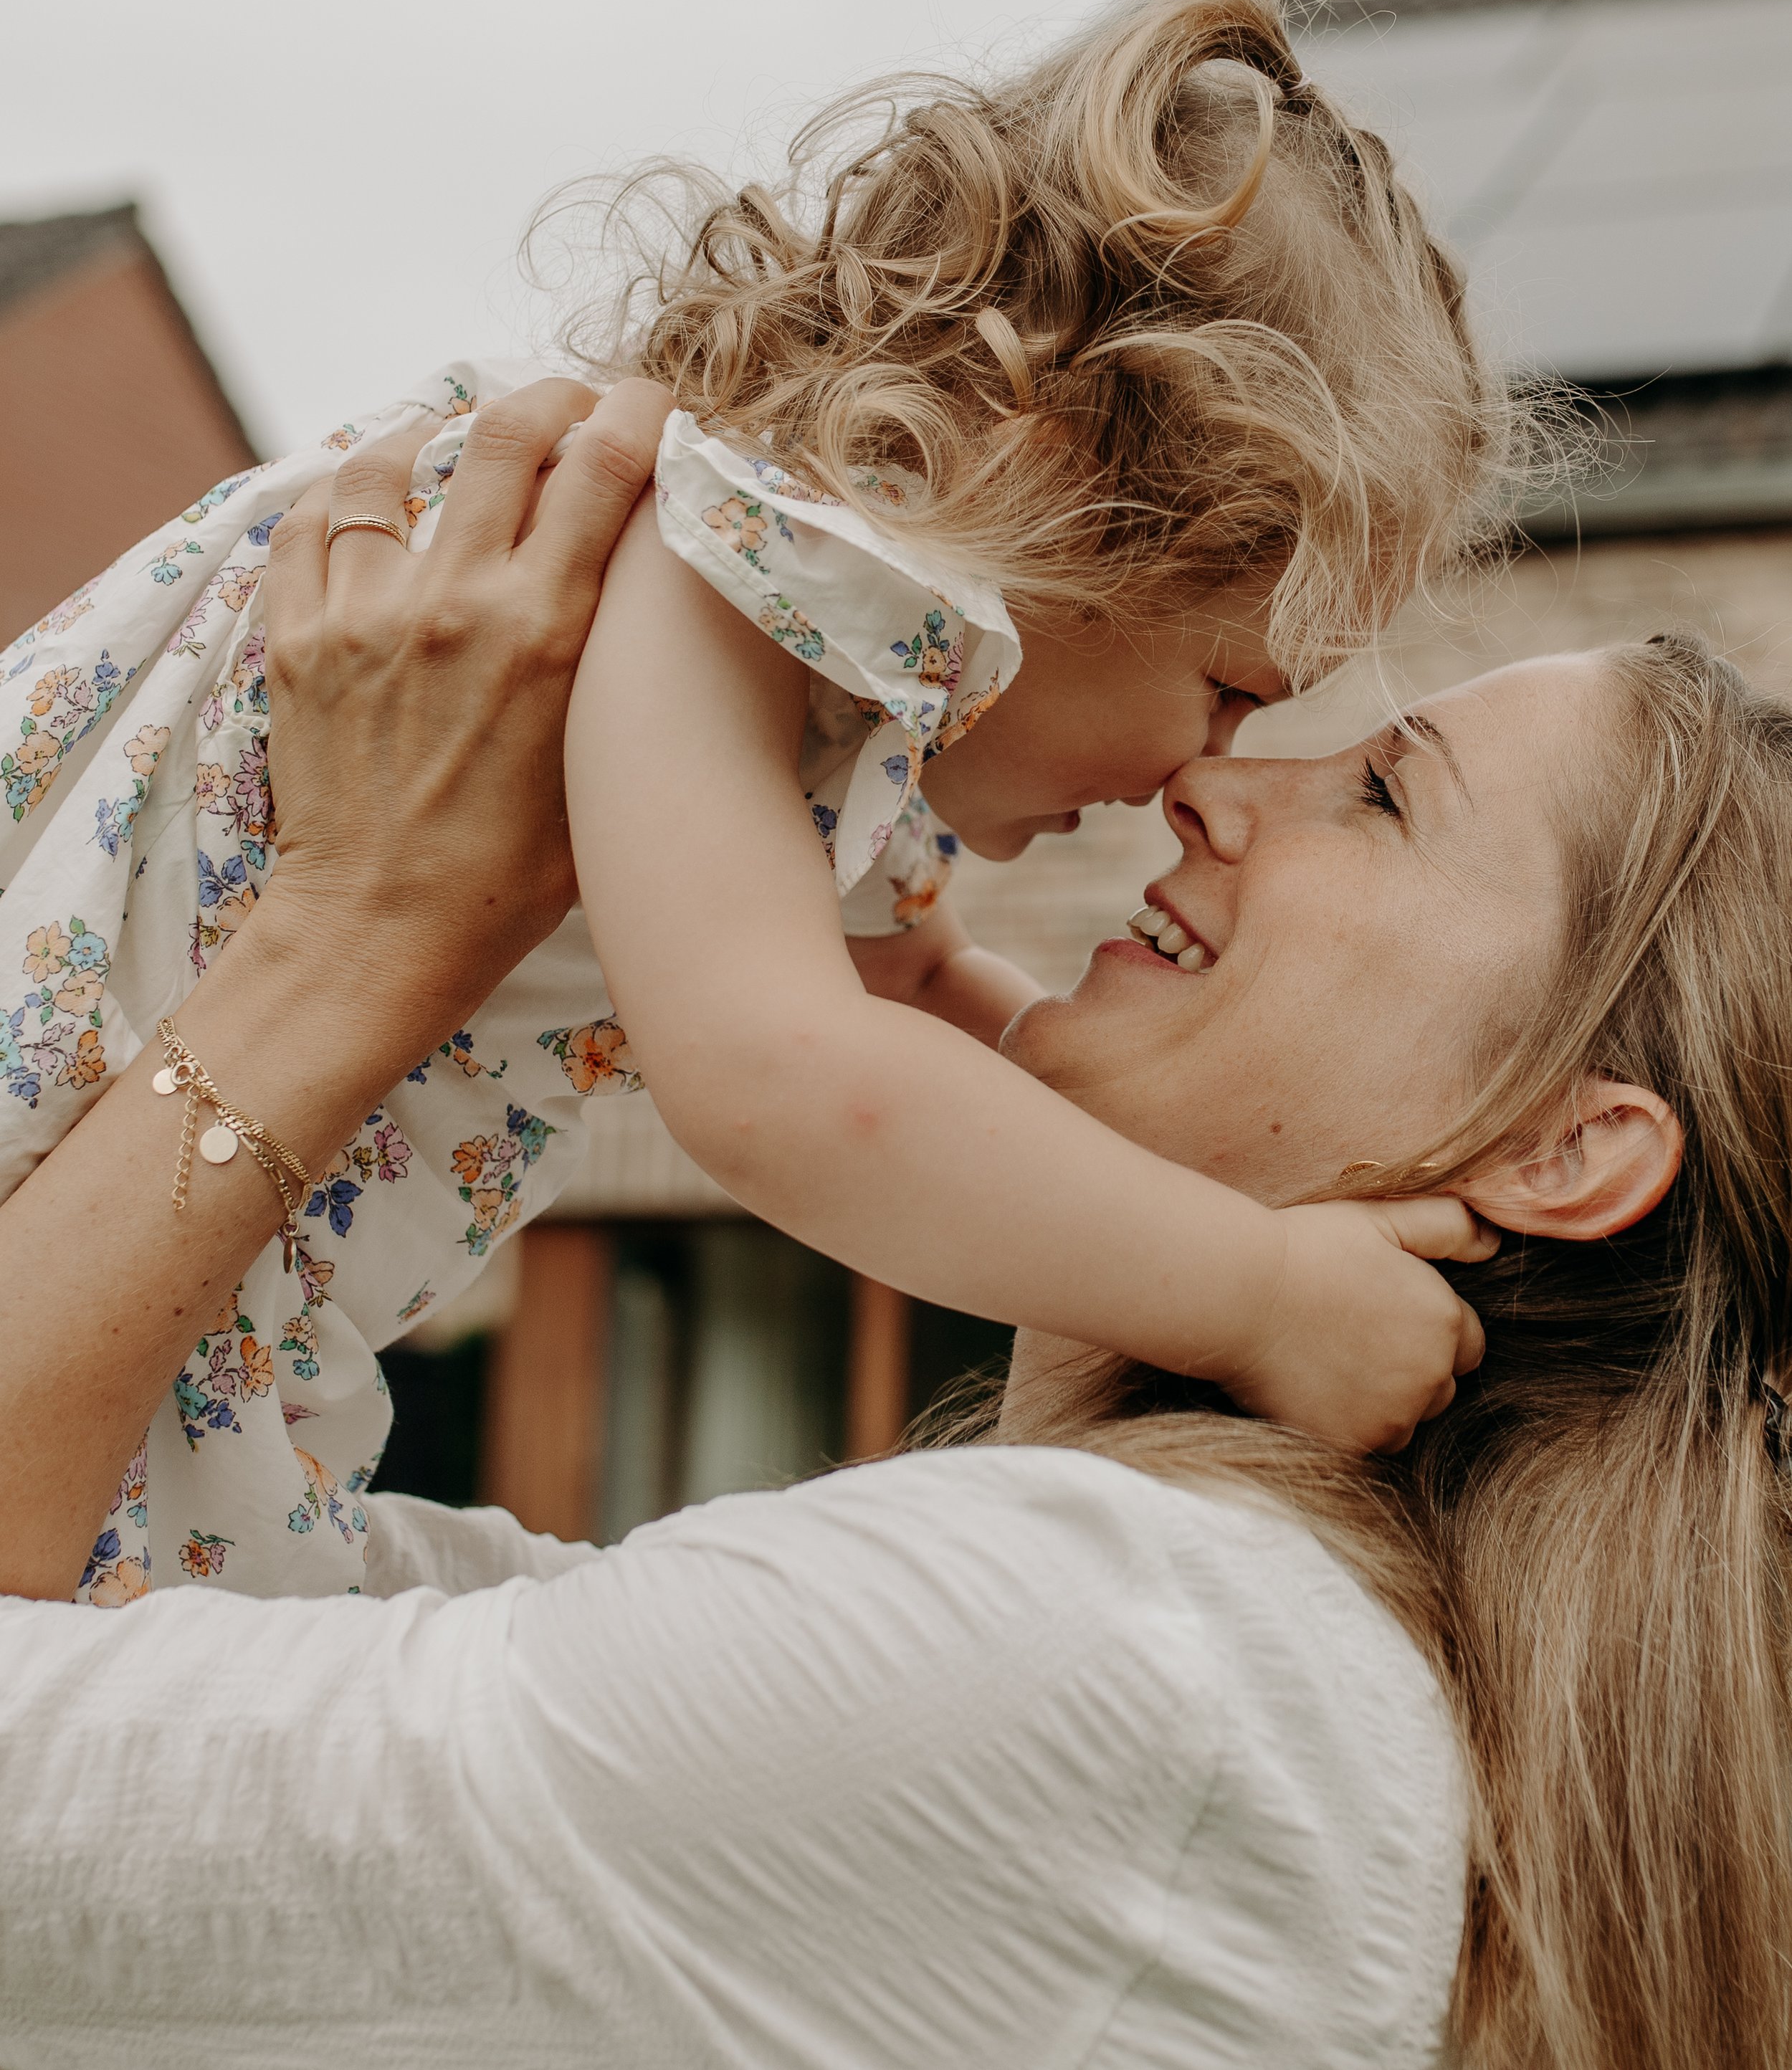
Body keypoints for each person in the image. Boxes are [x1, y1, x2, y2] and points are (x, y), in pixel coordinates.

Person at [1, 397, 1783, 2070]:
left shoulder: (1119, 1662)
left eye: (1380, 794)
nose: (1211, 790)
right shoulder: (1193, 1664)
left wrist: (363, 918)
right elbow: (192, 1610)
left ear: (1566, 1151)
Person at [0, 0, 1512, 1598]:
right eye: (1222, 690)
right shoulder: (718, 560)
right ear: (1046, 470)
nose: (1191, 782)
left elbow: (916, 985)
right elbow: (777, 1082)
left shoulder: (810, 699)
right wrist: (1256, 1294)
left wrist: (1210, 1149)